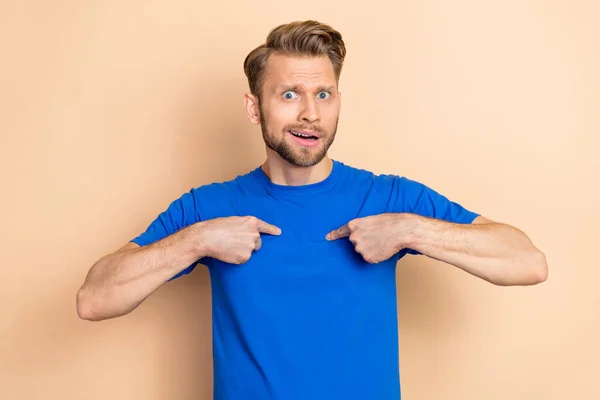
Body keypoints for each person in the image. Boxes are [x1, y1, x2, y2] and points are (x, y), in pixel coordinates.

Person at [76, 20, 548, 400]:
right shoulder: (209, 207)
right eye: (288, 95)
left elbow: (526, 262)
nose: (310, 114)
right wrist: (197, 240)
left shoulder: (388, 198)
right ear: (254, 108)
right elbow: (94, 299)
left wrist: (409, 230)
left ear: (338, 101)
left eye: (323, 95)